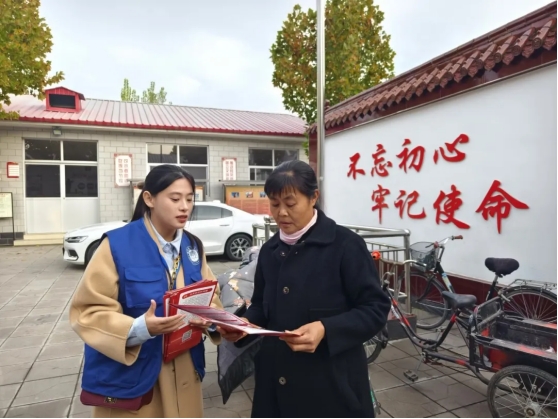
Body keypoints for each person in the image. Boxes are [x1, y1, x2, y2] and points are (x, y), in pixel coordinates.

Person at [218, 160, 391, 418]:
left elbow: (375, 308)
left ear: (313, 198)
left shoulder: (345, 246)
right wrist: (243, 327)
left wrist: (326, 329)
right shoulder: (269, 250)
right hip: (275, 381)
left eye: (290, 204)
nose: (281, 213)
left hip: (331, 384)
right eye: (274, 204)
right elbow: (261, 306)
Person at [70, 164, 223, 418]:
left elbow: (212, 295)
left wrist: (212, 321)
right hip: (135, 377)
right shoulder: (117, 245)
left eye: (189, 199)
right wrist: (140, 328)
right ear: (149, 199)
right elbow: (87, 311)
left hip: (185, 367)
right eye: (175, 199)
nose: (184, 207)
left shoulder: (193, 246)